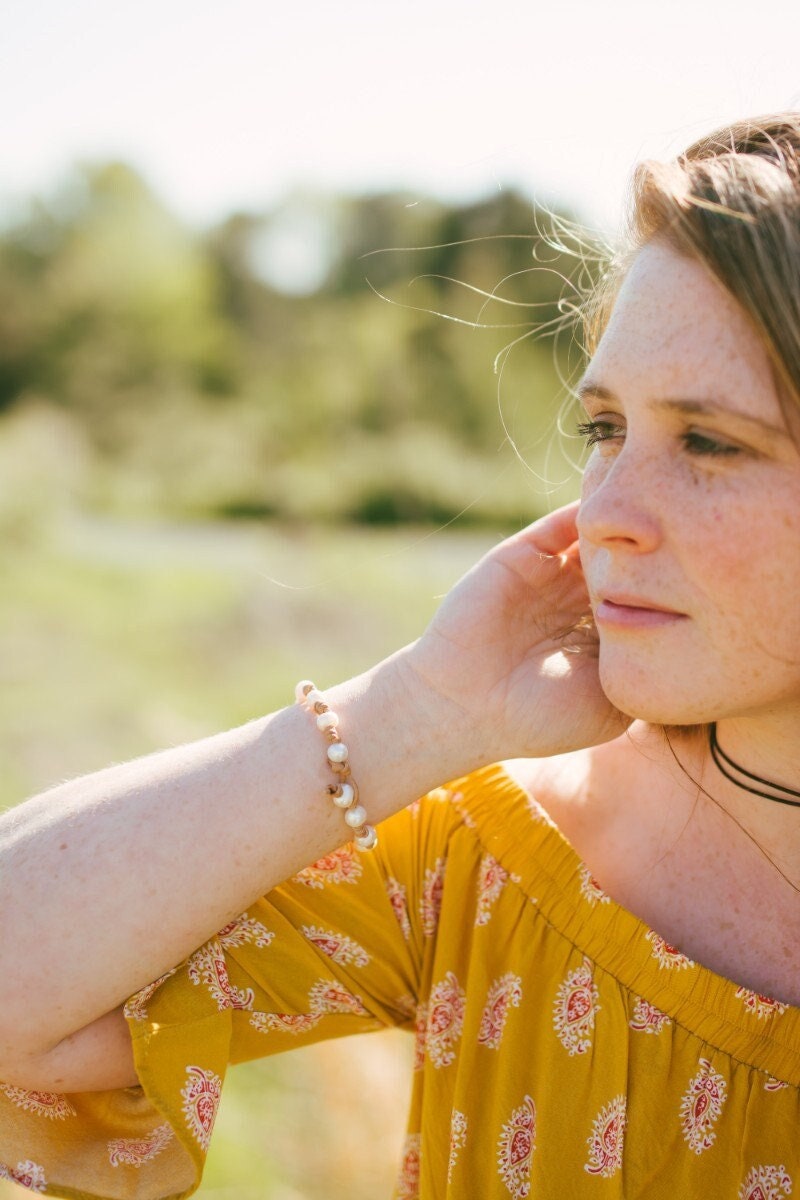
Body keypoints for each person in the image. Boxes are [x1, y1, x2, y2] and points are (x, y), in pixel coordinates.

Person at [0, 113, 798, 1199]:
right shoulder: (500, 860)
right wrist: (415, 711)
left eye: (707, 441)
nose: (604, 511)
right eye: (603, 429)